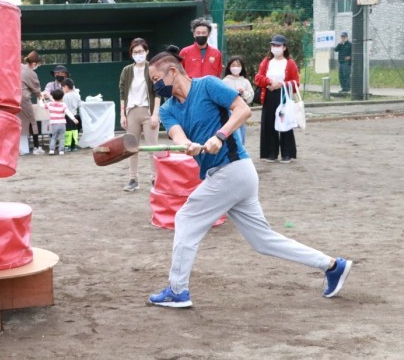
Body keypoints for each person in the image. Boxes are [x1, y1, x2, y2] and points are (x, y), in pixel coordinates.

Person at [145, 49, 352, 309]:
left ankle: (178, 290)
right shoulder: (168, 110)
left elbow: (242, 111)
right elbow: (177, 136)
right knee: (261, 240)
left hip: (232, 170)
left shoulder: (208, 85)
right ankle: (333, 266)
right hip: (230, 177)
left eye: (156, 79)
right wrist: (189, 145)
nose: (155, 86)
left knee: (185, 218)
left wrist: (219, 136)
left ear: (172, 72)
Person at [119, 37, 160, 191]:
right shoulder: (127, 70)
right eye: (136, 52)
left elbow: (157, 92)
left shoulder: (152, 68)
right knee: (131, 147)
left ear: (147, 51)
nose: (139, 54)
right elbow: (122, 92)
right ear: (131, 54)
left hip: (148, 111)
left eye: (141, 51)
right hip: (132, 111)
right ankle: (133, 179)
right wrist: (122, 114)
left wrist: (155, 114)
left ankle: (156, 179)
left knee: (153, 148)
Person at [254, 35, 300, 163]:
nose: (276, 48)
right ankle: (271, 153)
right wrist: (269, 82)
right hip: (268, 94)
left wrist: (281, 84)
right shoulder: (266, 61)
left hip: (283, 95)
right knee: (269, 123)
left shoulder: (290, 63)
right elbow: (258, 78)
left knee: (285, 122)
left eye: (278, 45)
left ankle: (287, 153)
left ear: (284, 47)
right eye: (273, 45)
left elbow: (296, 82)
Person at [221, 55, 254, 144]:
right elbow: (222, 97)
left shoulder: (245, 81)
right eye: (233, 65)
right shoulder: (225, 81)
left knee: (241, 135)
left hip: (242, 114)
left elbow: (250, 96)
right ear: (229, 67)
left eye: (238, 65)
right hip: (229, 114)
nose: (236, 67)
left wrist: (243, 93)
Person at [17, 51, 45, 155]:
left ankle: (19, 147)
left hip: (14, 97)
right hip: (24, 99)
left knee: (17, 121)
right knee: (32, 121)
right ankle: (36, 147)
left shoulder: (20, 67)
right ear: (34, 63)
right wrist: (42, 95)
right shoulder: (31, 73)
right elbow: (36, 90)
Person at [45, 88, 78, 155]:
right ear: (62, 97)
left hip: (54, 124)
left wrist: (41, 99)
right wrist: (74, 119)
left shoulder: (49, 104)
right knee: (62, 137)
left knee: (54, 137)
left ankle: (51, 150)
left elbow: (42, 106)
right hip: (62, 124)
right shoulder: (63, 105)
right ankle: (61, 151)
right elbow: (68, 112)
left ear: (53, 97)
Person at [62, 78, 82, 151]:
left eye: (63, 87)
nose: (63, 89)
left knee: (68, 131)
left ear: (66, 87)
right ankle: (74, 146)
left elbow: (64, 107)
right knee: (75, 131)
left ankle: (67, 146)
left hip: (68, 116)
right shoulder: (76, 95)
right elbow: (80, 104)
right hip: (75, 115)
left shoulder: (65, 96)